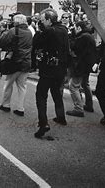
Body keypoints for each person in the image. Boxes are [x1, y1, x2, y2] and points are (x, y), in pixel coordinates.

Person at [33, 8, 70, 138]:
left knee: (41, 96)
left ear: (49, 20)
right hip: (60, 69)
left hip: (48, 69)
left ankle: (43, 123)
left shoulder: (49, 31)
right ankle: (61, 117)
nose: (41, 23)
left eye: (42, 20)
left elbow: (36, 43)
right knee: (56, 93)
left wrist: (38, 31)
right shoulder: (64, 29)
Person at [0, 14, 33, 116]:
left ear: (17, 22)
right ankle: (20, 108)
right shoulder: (29, 32)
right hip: (26, 62)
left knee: (8, 84)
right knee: (22, 86)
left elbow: (3, 43)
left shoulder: (13, 31)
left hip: (15, 62)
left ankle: (6, 105)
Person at [66, 21, 97, 117]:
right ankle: (89, 105)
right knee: (85, 84)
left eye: (75, 27)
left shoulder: (82, 37)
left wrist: (71, 36)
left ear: (79, 28)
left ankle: (78, 109)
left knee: (73, 86)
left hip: (80, 65)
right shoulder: (89, 36)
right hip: (87, 65)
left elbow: (74, 47)